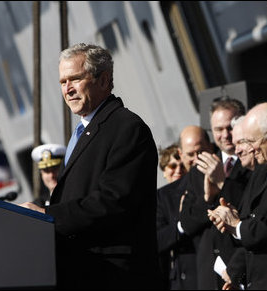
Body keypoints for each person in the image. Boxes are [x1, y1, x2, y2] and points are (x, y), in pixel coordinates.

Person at [20, 43, 160, 289]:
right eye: (63, 82)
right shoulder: (84, 130)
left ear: (104, 80)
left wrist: (48, 215)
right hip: (83, 270)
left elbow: (115, 200)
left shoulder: (126, 128)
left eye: (75, 79)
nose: (68, 90)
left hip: (115, 275)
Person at [179, 98, 252, 289]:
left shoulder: (255, 162)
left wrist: (223, 183)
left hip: (243, 265)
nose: (225, 135)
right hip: (209, 270)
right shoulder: (200, 168)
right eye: (218, 129)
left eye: (230, 127)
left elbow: (250, 209)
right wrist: (208, 199)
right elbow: (187, 223)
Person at [208, 102, 267, 290]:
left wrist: (238, 226)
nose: (250, 148)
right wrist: (236, 275)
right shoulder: (264, 171)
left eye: (251, 141)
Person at [156, 126, 213, 290]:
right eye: (190, 154)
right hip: (184, 279)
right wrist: (182, 226)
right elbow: (155, 240)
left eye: (200, 152)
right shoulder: (164, 196)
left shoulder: (224, 183)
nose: (196, 159)